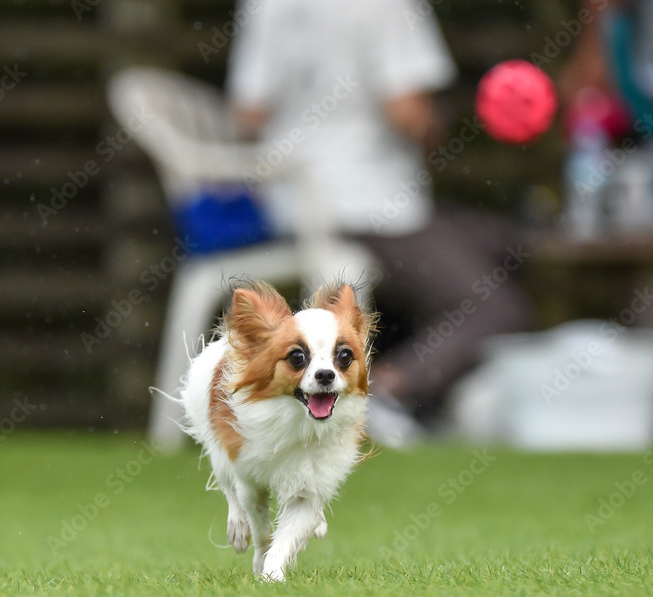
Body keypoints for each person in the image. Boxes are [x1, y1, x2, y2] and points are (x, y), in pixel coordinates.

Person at [227, 0, 530, 446]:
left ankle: (428, 394)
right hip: (375, 205)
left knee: (498, 242)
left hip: (292, 206)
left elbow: (248, 113)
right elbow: (407, 112)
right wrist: (439, 124)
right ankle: (390, 390)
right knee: (498, 306)